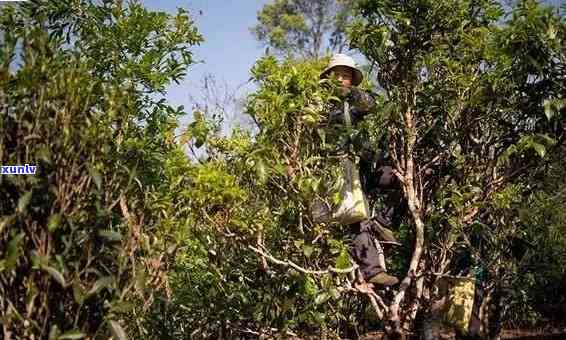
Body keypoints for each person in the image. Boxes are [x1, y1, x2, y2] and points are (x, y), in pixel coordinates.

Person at [320, 54, 403, 286]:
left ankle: (383, 222)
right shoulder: (320, 106)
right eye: (336, 75)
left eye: (345, 76)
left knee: (398, 180)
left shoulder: (357, 100)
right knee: (356, 219)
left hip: (365, 164)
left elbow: (374, 105)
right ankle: (373, 271)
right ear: (327, 78)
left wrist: (352, 95)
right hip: (342, 169)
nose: (340, 80)